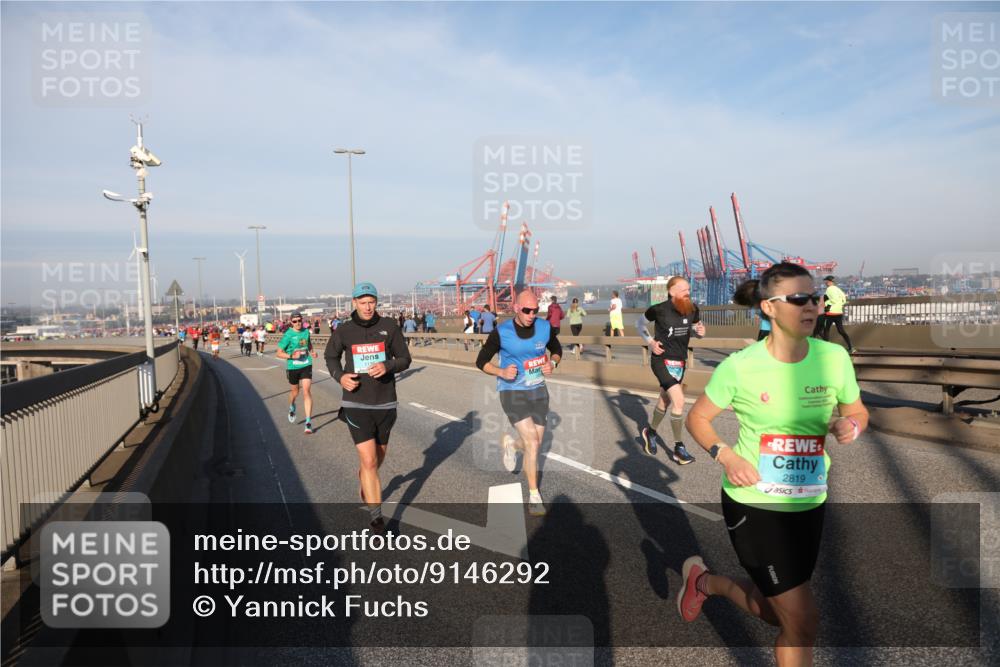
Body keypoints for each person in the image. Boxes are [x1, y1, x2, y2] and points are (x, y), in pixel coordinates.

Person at [678, 262, 869, 666]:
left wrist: (849, 424)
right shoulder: (740, 366)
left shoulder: (833, 357)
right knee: (803, 621)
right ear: (768, 307)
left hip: (809, 503)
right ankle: (707, 583)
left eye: (814, 297)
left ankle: (706, 582)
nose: (812, 306)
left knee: (774, 612)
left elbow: (857, 410)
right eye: (799, 299)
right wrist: (725, 455)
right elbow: (698, 418)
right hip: (754, 504)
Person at [325, 282, 411, 531]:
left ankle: (365, 476)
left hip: (385, 403)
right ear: (354, 303)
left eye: (371, 302)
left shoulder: (389, 327)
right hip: (356, 403)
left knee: (376, 459)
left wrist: (388, 366)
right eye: (362, 302)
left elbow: (405, 358)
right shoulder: (344, 330)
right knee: (370, 460)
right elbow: (331, 356)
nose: (367, 307)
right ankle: (376, 518)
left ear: (376, 302)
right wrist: (339, 375)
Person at [476, 290, 562, 517]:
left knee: (533, 443)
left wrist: (553, 363)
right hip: (512, 391)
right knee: (533, 442)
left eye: (535, 310)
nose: (532, 314)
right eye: (527, 310)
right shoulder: (501, 332)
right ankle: (534, 496)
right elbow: (481, 361)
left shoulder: (544, 328)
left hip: (538, 391)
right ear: (516, 308)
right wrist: (501, 371)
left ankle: (511, 445)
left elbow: (557, 349)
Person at [635, 276, 703, 463]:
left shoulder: (693, 308)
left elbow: (696, 329)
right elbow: (639, 324)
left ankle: (650, 432)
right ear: (672, 291)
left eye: (688, 289)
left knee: (665, 401)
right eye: (683, 289)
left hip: (680, 362)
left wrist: (699, 332)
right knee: (679, 401)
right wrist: (650, 342)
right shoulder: (659, 310)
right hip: (661, 360)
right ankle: (678, 448)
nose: (687, 292)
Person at [277, 311, 318, 434]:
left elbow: (308, 344)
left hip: (306, 364)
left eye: (299, 321)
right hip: (293, 367)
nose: (298, 323)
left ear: (302, 321)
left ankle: (308, 422)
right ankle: (292, 405)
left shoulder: (306, 332)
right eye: (295, 321)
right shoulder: (288, 335)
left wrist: (312, 352)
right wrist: (291, 356)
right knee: (295, 392)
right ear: (291, 322)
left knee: (306, 391)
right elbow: (278, 353)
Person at [819, 276, 854, 353]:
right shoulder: (838, 289)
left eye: (826, 281)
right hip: (839, 313)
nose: (825, 283)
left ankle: (827, 349)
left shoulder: (829, 290)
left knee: (826, 330)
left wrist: (827, 304)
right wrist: (839, 305)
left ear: (829, 282)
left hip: (830, 313)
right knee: (841, 331)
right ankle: (851, 347)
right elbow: (844, 300)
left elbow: (833, 300)